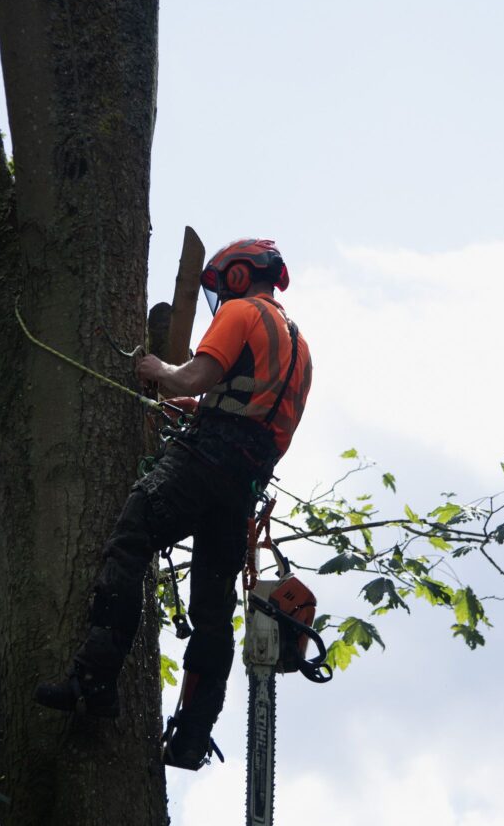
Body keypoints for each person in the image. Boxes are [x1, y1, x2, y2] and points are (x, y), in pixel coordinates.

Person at [35, 239, 312, 770]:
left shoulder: (240, 311)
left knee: (131, 539)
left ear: (236, 276)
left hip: (205, 460)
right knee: (212, 609)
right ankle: (191, 736)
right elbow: (248, 406)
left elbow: (193, 375)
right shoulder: (299, 346)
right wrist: (196, 405)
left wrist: (158, 371)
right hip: (243, 483)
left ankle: (93, 680)